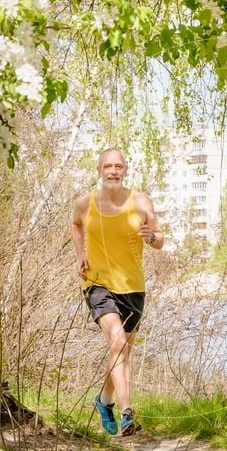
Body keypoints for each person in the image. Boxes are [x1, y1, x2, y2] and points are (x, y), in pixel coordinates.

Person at [71, 148, 164, 436]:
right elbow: (75, 225)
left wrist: (151, 237)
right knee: (118, 342)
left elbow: (159, 239)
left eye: (118, 166)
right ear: (99, 170)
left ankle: (103, 401)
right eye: (108, 166)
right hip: (97, 283)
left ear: (125, 170)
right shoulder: (85, 203)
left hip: (133, 287)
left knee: (121, 350)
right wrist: (79, 255)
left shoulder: (140, 201)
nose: (113, 171)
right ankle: (126, 414)